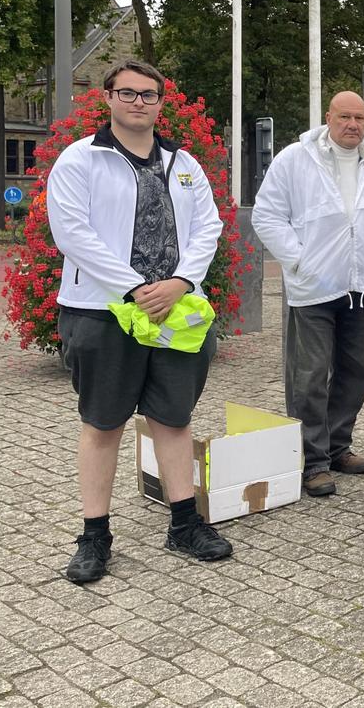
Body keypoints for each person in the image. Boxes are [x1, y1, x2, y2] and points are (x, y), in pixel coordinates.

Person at [48, 59, 232, 584]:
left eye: (148, 95)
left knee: (173, 418)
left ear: (159, 102)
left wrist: (180, 282)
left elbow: (208, 226)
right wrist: (132, 285)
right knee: (103, 423)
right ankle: (95, 535)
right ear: (107, 98)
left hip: (175, 309)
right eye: (127, 93)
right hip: (103, 311)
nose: (138, 102)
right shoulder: (81, 160)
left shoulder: (184, 163)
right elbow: (72, 232)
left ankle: (183, 524)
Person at [252, 91, 364, 497]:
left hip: (361, 288)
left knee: (356, 372)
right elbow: (267, 214)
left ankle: (339, 447)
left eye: (360, 118)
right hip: (314, 288)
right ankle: (311, 460)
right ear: (328, 117)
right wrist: (298, 261)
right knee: (310, 375)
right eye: (345, 117)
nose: (352, 125)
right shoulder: (295, 160)